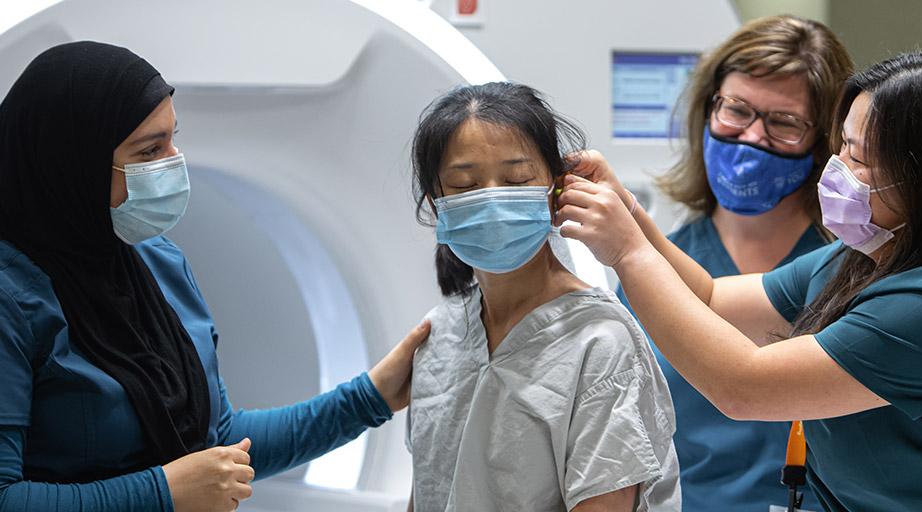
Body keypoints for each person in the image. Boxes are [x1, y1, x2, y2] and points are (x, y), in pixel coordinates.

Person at [557, 49, 922, 511]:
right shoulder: (856, 262)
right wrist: (629, 210)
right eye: (841, 145)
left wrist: (627, 251)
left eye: (858, 157)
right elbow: (713, 298)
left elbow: (742, 387)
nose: (837, 168)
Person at [0, 41, 429, 512]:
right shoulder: (11, 297)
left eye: (172, 139)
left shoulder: (156, 263)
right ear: (71, 165)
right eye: (149, 150)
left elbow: (218, 443)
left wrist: (372, 395)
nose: (172, 162)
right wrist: (162, 494)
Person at [404, 82, 680, 511]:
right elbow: (430, 489)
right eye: (464, 185)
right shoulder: (440, 334)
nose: (492, 198)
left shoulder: (599, 343)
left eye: (516, 179)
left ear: (555, 191)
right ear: (436, 203)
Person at [615, 15, 852, 512]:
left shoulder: (849, 273)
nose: (751, 139)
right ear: (708, 109)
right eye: (736, 110)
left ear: (824, 143)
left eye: (784, 122)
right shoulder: (649, 269)